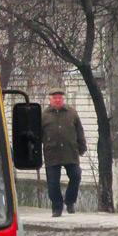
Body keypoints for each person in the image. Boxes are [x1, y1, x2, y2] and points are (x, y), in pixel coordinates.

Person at [42, 88, 87, 216]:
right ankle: (57, 208)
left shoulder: (71, 112)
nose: (57, 100)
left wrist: (82, 147)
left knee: (76, 175)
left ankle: (70, 201)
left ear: (63, 99)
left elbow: (79, 131)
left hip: (70, 152)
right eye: (55, 97)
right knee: (53, 182)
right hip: (52, 153)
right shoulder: (44, 115)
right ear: (50, 99)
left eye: (60, 98)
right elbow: (38, 135)